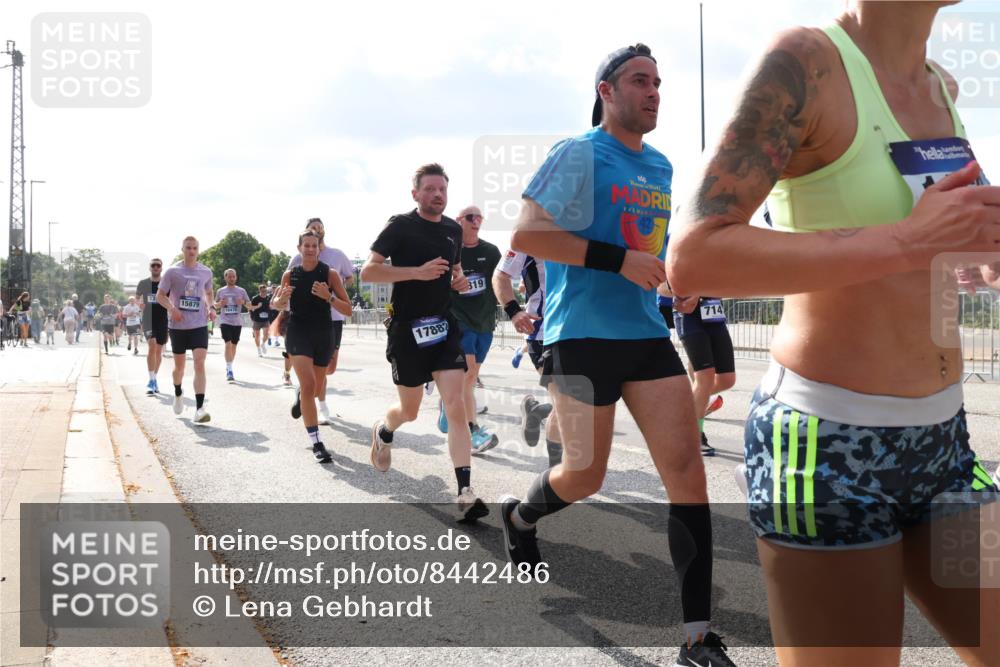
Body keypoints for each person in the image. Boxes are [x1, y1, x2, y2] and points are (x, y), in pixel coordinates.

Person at [666, 3, 999, 662]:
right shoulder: (806, 65)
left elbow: (948, 227)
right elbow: (695, 257)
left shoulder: (941, 87)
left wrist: (976, 250)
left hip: (944, 442)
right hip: (828, 448)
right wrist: (907, 241)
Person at [500, 44, 735, 667]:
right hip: (578, 334)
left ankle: (697, 637)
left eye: (659, 82)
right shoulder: (579, 152)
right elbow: (526, 233)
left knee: (688, 474)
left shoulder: (659, 165)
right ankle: (520, 518)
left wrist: (670, 280)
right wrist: (618, 260)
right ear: (607, 90)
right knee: (585, 474)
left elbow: (649, 248)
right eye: (640, 80)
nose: (653, 91)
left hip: (644, 335)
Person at [361, 163, 488, 523]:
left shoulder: (452, 230)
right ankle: (385, 431)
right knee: (411, 410)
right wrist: (415, 273)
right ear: (415, 193)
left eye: (442, 190)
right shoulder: (400, 225)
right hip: (406, 330)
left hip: (444, 328)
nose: (438, 195)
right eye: (430, 189)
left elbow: (454, 270)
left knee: (456, 404)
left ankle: (464, 492)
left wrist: (458, 281)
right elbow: (369, 271)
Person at [271, 230, 352, 463]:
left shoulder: (330, 274)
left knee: (314, 390)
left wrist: (329, 297)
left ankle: (300, 395)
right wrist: (279, 300)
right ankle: (317, 442)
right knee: (308, 386)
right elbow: (277, 303)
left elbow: (347, 310)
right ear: (299, 248)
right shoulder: (290, 274)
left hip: (323, 333)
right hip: (298, 332)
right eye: (305, 245)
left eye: (313, 245)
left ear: (319, 248)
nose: (309, 249)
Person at [436, 205, 501, 453]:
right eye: (470, 217)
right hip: (458, 319)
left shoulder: (490, 251)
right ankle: (472, 430)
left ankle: (447, 403)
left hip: (484, 321)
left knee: (471, 377)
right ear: (459, 221)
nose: (476, 222)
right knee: (468, 371)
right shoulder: (450, 250)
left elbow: (502, 277)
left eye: (479, 218)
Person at [493, 248, 562, 467]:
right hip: (544, 333)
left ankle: (536, 411)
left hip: (584, 330)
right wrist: (513, 310)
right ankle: (556, 480)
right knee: (565, 402)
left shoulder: (584, 230)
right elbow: (501, 275)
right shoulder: (529, 235)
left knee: (585, 403)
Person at [286, 218, 355, 424]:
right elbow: (286, 288)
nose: (315, 230)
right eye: (311, 228)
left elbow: (350, 278)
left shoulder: (337, 255)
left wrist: (335, 288)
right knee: (311, 382)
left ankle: (307, 392)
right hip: (304, 322)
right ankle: (320, 405)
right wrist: (281, 302)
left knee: (329, 369)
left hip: (332, 318)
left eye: (318, 227)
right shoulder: (296, 261)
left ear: (323, 231)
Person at [157, 236, 216, 424]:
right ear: (182, 249)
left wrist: (212, 307)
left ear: (199, 250)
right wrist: (172, 309)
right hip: (178, 326)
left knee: (199, 363)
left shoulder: (206, 272)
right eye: (188, 248)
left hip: (199, 324)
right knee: (179, 368)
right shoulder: (172, 272)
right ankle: (178, 392)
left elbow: (208, 292)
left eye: (195, 248)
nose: (192, 251)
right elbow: (160, 296)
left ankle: (199, 409)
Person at [671, 293, 736, 457]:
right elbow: (663, 288)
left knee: (727, 380)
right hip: (689, 315)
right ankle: (694, 436)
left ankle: (693, 402)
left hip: (714, 314)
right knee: (705, 378)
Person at [136, 258, 168, 395]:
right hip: (148, 319)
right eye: (153, 265)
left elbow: (172, 298)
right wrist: (139, 304)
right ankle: (150, 381)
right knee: (152, 345)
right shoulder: (143, 283)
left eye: (158, 265)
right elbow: (137, 297)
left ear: (161, 268)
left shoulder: (166, 282)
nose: (155, 267)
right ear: (149, 268)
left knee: (159, 351)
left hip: (163, 320)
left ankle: (154, 377)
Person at [214, 268, 251, 383]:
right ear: (225, 277)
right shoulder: (221, 291)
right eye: (229, 276)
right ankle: (229, 370)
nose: (231, 278)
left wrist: (243, 303)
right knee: (228, 344)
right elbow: (215, 305)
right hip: (225, 321)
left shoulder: (242, 291)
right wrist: (220, 304)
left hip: (237, 322)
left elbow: (249, 305)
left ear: (236, 277)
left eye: (233, 276)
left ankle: (229, 364)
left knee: (234, 346)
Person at [249, 284, 272, 357]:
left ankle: (262, 344)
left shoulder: (269, 298)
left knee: (267, 334)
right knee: (257, 336)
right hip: (257, 320)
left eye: (265, 291)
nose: (264, 292)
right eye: (262, 291)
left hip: (266, 320)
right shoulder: (255, 298)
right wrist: (257, 306)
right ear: (259, 291)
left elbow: (272, 306)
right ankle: (259, 349)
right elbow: (250, 308)